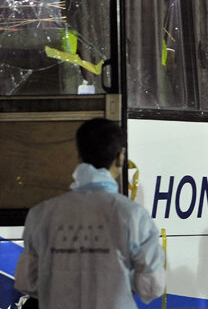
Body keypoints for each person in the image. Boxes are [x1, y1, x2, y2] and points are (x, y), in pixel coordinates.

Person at [14, 118, 165, 308]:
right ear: (119, 158)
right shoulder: (134, 216)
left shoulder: (41, 214)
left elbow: (26, 283)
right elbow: (151, 288)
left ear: (79, 158)